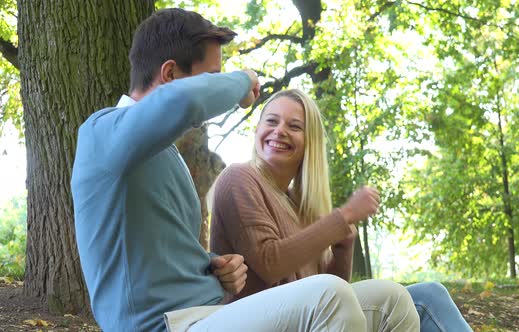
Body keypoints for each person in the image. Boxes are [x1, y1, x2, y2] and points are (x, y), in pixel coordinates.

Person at [71, 8, 417, 332]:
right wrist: (242, 81)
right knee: (328, 295)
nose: (215, 87)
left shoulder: (164, 155)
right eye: (211, 77)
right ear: (171, 74)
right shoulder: (102, 134)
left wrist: (214, 266)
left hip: (208, 313)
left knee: (392, 300)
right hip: (163, 325)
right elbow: (185, 100)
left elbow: (155, 253)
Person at [210, 88, 473, 332]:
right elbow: (270, 262)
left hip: (304, 316)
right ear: (257, 130)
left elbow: (337, 301)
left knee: (428, 296)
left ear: (310, 142)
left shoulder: (298, 206)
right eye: (271, 121)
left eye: (294, 126)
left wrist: (343, 247)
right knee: (392, 297)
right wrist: (344, 215)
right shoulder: (239, 178)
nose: (279, 131)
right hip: (256, 320)